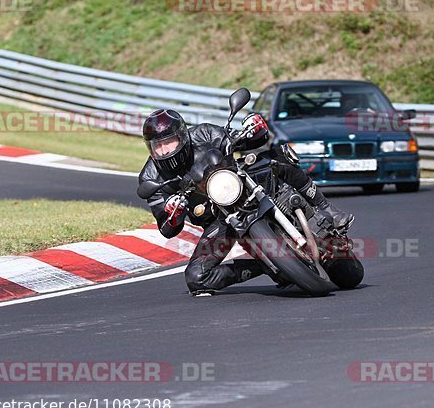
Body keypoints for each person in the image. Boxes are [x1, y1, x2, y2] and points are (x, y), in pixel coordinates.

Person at [137, 109, 354, 295]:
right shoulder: (150, 178)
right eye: (158, 146)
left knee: (278, 156)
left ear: (182, 136)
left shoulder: (203, 134)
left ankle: (326, 208)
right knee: (197, 277)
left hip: (241, 182)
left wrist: (252, 130)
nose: (165, 150)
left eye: (169, 142)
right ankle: (265, 264)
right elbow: (166, 228)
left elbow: (239, 139)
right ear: (150, 148)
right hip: (219, 221)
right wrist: (173, 214)